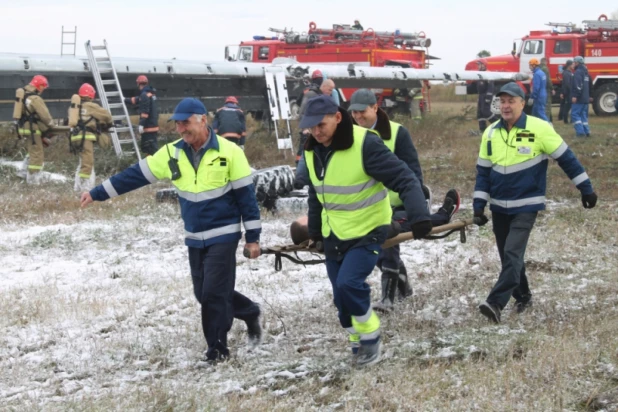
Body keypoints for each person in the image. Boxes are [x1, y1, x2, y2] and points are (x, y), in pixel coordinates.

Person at [80, 98, 263, 362]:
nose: (181, 129)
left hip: (224, 234)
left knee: (212, 293)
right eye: (177, 124)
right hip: (194, 237)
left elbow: (247, 198)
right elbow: (135, 175)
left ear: (203, 120)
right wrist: (98, 193)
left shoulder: (230, 152)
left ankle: (217, 350)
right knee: (203, 294)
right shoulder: (171, 153)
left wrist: (253, 238)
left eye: (186, 123)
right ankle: (249, 311)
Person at [300, 95, 432, 366]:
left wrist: (419, 216)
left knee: (349, 284)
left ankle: (371, 335)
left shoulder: (365, 144)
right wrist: (314, 232)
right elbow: (316, 193)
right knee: (340, 297)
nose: (316, 132)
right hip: (334, 232)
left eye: (321, 125)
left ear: (338, 117)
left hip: (369, 229)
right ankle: (356, 338)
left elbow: (405, 178)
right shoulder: (312, 149)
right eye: (311, 127)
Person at [474, 83, 597, 324]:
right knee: (509, 257)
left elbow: (567, 159)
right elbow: (483, 172)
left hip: (527, 205)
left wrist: (586, 189)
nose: (506, 106)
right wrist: (479, 205)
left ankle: (495, 303)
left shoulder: (540, 128)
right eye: (503, 101)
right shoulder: (490, 133)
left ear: (523, 102)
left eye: (511, 101)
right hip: (499, 206)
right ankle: (524, 297)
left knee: (512, 252)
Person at [348, 88, 460, 311]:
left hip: (397, 205)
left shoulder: (397, 133)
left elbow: (413, 173)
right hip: (366, 206)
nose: (358, 117)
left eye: (362, 112)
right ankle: (404, 285)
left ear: (375, 108)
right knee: (372, 245)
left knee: (386, 240)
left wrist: (414, 203)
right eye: (354, 113)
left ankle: (388, 297)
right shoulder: (350, 135)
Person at [69, 83, 113, 192]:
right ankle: (85, 189)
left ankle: (77, 186)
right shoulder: (91, 106)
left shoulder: (75, 106)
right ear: (90, 95)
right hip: (85, 137)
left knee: (82, 161)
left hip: (74, 137)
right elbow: (107, 116)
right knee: (87, 162)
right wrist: (108, 124)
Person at [13, 75, 55, 184]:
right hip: (33, 129)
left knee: (32, 150)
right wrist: (51, 125)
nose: (43, 90)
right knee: (37, 154)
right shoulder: (35, 98)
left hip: (24, 128)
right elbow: (45, 116)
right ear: (39, 86)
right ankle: (33, 181)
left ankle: (23, 173)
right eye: (43, 87)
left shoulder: (24, 95)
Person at [124, 75, 159, 155]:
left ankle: (152, 165)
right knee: (152, 148)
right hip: (154, 125)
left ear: (138, 84)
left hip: (148, 127)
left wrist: (141, 124)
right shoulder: (150, 94)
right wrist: (126, 100)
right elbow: (138, 99)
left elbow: (145, 111)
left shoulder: (144, 95)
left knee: (149, 149)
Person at [571, 56, 591, 137]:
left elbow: (578, 85)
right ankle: (587, 131)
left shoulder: (578, 72)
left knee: (575, 114)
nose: (573, 64)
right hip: (585, 98)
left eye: (574, 62)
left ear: (577, 63)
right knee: (583, 115)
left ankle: (580, 132)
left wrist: (575, 95)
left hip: (580, 98)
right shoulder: (586, 72)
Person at [475, 59, 496, 133]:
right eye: (478, 65)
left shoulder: (488, 74)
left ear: (484, 65)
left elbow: (491, 87)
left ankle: (498, 125)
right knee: (480, 113)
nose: (478, 66)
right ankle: (482, 130)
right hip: (481, 96)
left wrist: (488, 97)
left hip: (485, 96)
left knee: (486, 112)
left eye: (479, 65)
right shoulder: (480, 74)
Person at [540, 57, 554, 122]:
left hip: (541, 90)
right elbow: (548, 80)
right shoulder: (545, 69)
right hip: (546, 90)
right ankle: (547, 122)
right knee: (547, 107)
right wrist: (552, 88)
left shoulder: (538, 69)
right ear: (545, 62)